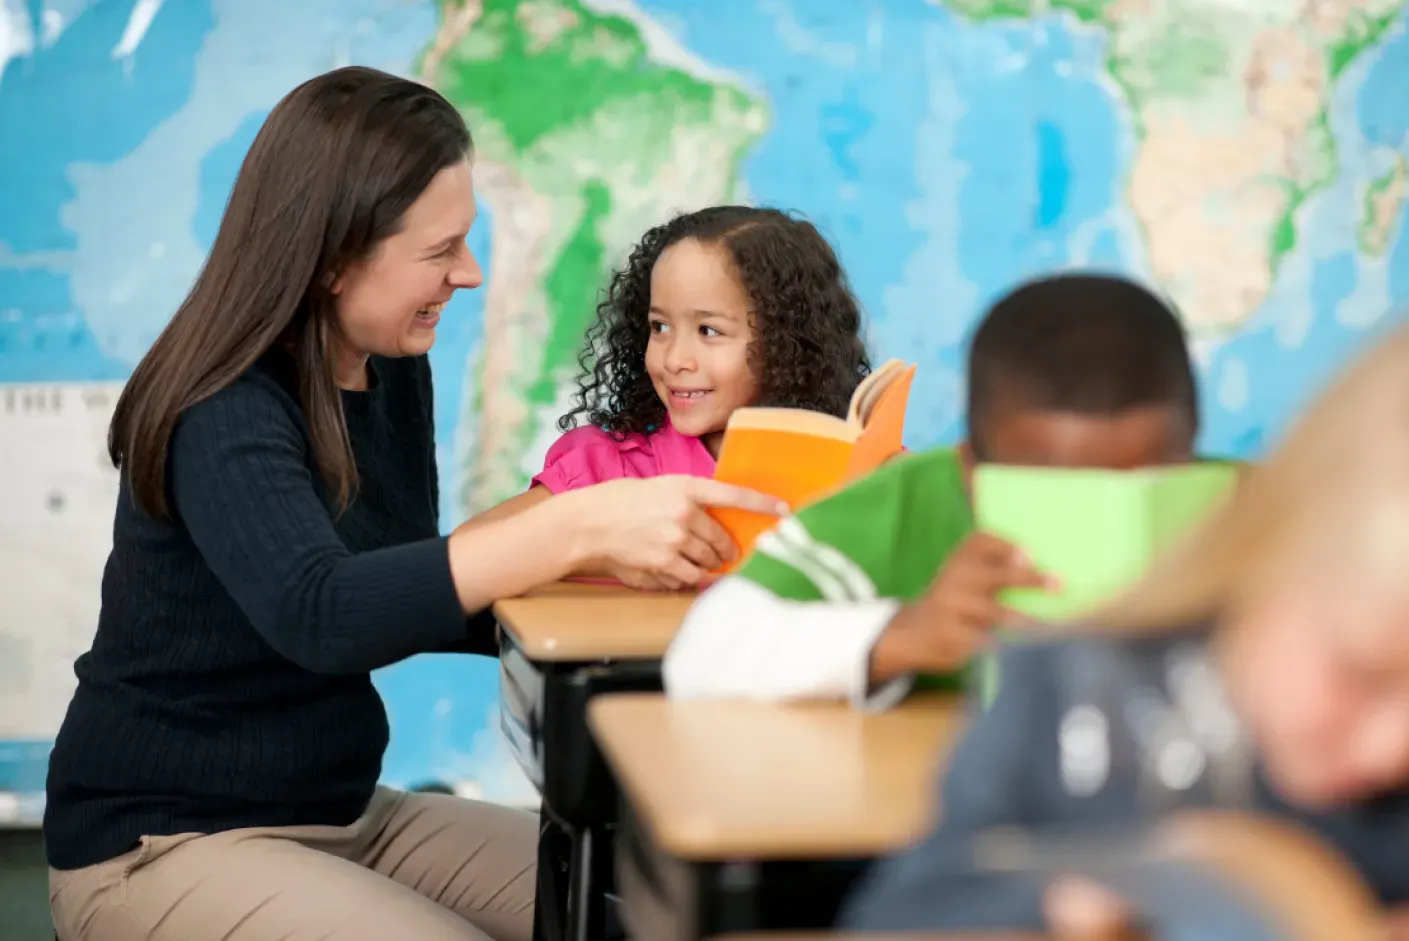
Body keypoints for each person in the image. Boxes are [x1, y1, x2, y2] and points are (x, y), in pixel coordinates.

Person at [43, 66, 783, 941]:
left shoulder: (389, 366)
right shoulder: (224, 404)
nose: (467, 275)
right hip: (163, 842)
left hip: (345, 814)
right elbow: (326, 612)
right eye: (439, 251)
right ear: (332, 259)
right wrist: (573, 526)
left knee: (654, 906)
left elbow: (405, 582)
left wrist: (644, 570)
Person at [838, 324, 1409, 938]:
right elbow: (899, 917)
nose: (1391, 747)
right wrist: (1065, 908)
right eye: (1361, 671)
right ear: (1268, 553)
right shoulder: (1067, 691)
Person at [663, 272, 1201, 708]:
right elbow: (699, 657)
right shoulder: (906, 509)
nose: (1097, 518)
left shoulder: (1234, 512)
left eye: (1146, 484)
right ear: (970, 470)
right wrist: (901, 634)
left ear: (1192, 454)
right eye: (1051, 492)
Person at [468, 205, 871, 590]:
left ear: (786, 343)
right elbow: (467, 555)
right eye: (659, 327)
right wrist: (593, 546)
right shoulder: (604, 470)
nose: (674, 359)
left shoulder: (857, 468)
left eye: (708, 331)